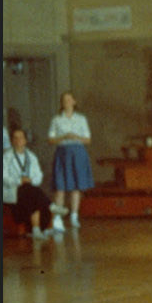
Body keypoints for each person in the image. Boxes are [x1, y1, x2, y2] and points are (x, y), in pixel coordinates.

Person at [3, 127, 65, 241]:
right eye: (15, 138)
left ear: (25, 140)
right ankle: (51, 206)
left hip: (29, 190)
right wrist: (19, 181)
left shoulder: (31, 156)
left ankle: (36, 230)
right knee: (29, 191)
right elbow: (4, 176)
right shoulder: (6, 157)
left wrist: (30, 180)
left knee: (30, 192)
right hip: (12, 190)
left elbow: (39, 176)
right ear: (12, 141)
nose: (18, 140)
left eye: (20, 137)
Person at [46, 91, 95, 233]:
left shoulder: (81, 119)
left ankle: (74, 215)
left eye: (69, 99)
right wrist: (63, 137)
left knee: (76, 186)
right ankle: (58, 217)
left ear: (74, 101)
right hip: (62, 152)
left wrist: (76, 137)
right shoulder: (56, 119)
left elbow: (88, 139)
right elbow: (50, 139)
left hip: (78, 152)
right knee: (60, 187)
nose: (66, 102)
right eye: (63, 100)